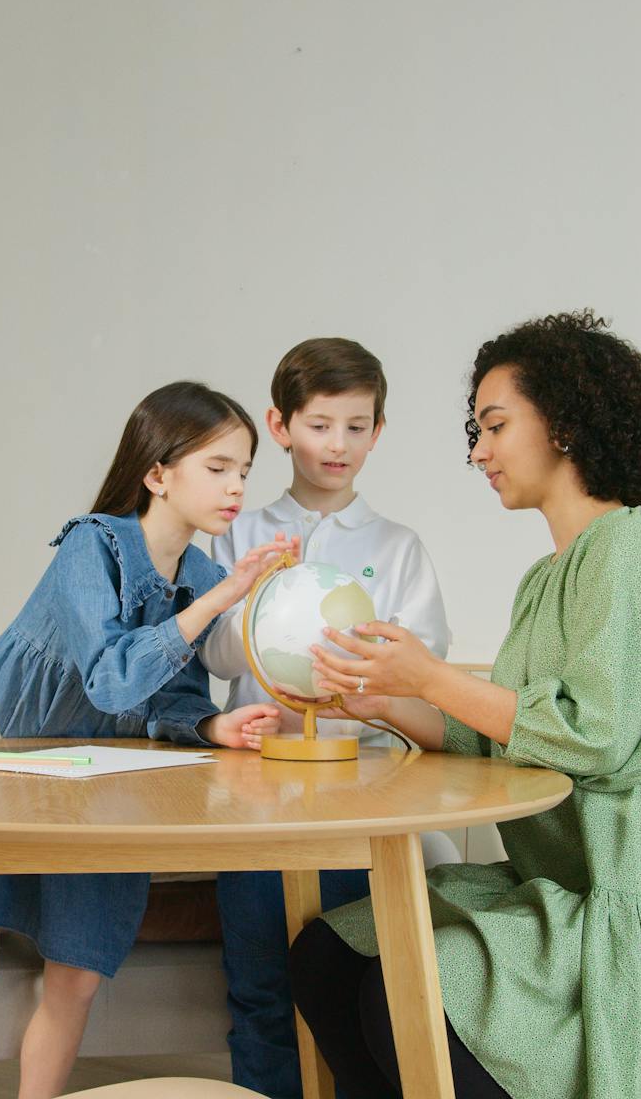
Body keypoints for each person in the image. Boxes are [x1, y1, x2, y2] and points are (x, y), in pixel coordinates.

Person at [287, 311, 641, 1098]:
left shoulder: (638, 549)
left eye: (495, 426)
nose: (478, 452)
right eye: (478, 431)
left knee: (400, 993)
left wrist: (429, 676)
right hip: (565, 893)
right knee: (328, 957)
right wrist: (381, 700)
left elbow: (595, 738)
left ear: (563, 425)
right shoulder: (546, 579)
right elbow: (500, 736)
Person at [0, 381, 293, 1099]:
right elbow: (112, 680)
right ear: (157, 474)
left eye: (244, 470)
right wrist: (223, 597)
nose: (237, 486)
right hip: (7, 764)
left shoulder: (202, 575)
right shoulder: (92, 545)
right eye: (218, 468)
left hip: (107, 786)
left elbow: (168, 701)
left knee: (78, 978)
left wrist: (214, 726)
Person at [201, 337, 450, 1097]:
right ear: (280, 426)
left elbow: (425, 668)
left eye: (356, 426)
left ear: (378, 432)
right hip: (255, 800)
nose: (337, 444)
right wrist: (254, 596)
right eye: (318, 425)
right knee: (260, 991)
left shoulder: (397, 548)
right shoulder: (237, 534)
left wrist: (366, 674)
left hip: (363, 796)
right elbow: (213, 656)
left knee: (348, 992)